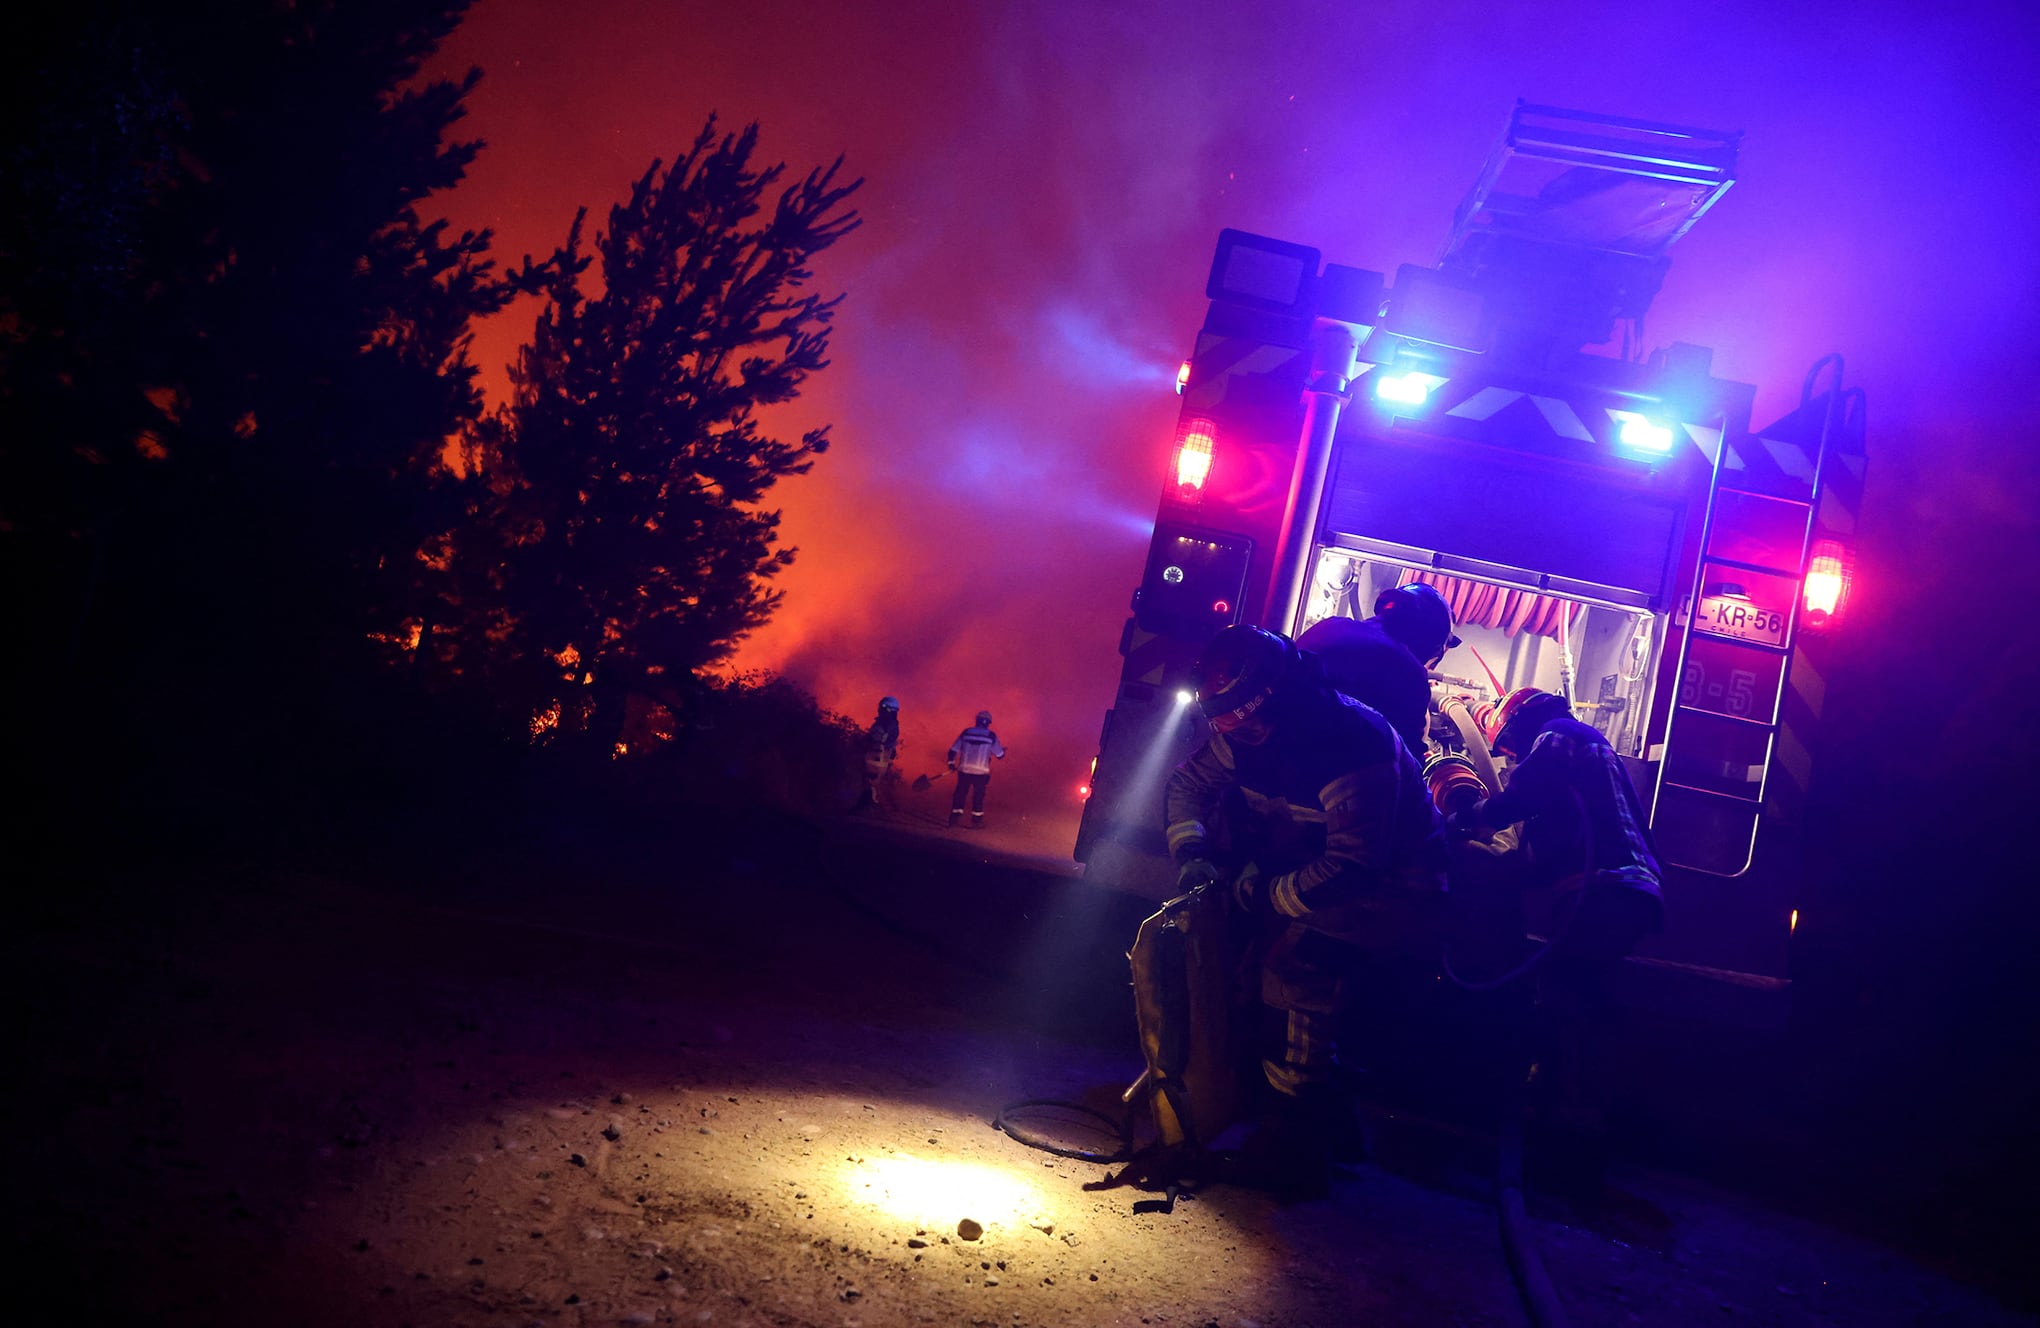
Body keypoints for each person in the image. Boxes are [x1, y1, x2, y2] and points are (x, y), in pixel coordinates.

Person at [1165, 625, 1447, 1195]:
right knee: (1254, 974)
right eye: (1225, 726)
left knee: (1297, 972)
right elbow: (1188, 787)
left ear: (1285, 701)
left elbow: (1352, 866)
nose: (1238, 738)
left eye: (1246, 722)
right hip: (1319, 875)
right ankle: (1329, 1127)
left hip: (1394, 891)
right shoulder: (1242, 734)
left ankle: (1292, 1151)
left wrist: (1261, 895)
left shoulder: (1354, 746)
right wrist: (1192, 853)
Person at [1448, 686, 1663, 1184]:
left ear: (1522, 722)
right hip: (1622, 892)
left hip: (1607, 891)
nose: (1509, 757)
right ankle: (1566, 1137)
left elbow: (1523, 796)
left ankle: (1562, 1145)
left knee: (1567, 1006)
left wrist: (1461, 822)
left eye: (1508, 747)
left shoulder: (1560, 736)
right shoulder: (1583, 746)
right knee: (1576, 1004)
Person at [1295, 581, 1461, 755]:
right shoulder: (1410, 676)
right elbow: (1405, 765)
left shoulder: (1330, 626)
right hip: (1320, 772)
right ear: (1429, 643)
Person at [946, 710, 1006, 828]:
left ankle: (954, 819)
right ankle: (976, 821)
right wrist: (1002, 751)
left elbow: (953, 750)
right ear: (988, 723)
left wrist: (951, 763)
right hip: (981, 772)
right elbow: (1000, 755)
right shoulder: (991, 736)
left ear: (976, 720)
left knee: (960, 794)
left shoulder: (967, 732)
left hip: (964, 770)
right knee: (978, 796)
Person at [855, 696, 900, 812]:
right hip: (883, 757)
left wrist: (861, 741)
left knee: (869, 780)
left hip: (876, 754)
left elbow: (875, 737)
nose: (879, 709)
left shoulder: (884, 723)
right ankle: (872, 805)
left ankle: (866, 807)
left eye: (881, 707)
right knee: (874, 782)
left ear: (886, 708)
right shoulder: (894, 724)